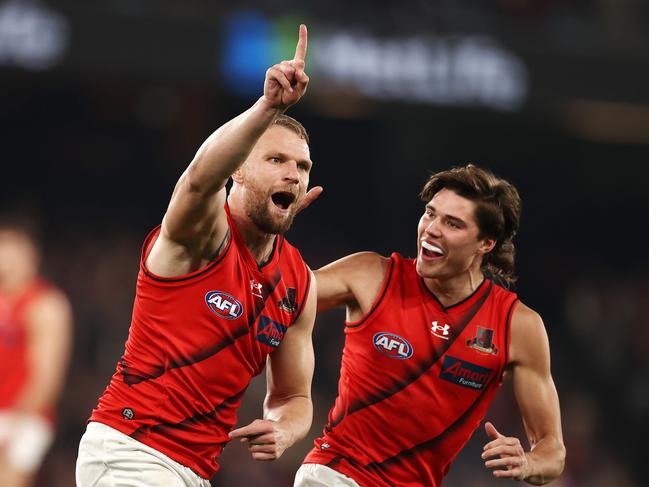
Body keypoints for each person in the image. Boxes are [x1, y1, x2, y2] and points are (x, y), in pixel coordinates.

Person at [76, 24, 320, 487]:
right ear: (238, 173)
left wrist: (284, 429)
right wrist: (268, 107)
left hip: (194, 471)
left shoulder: (299, 285)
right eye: (276, 160)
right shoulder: (202, 234)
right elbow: (197, 180)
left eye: (302, 167)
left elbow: (294, 396)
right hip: (132, 449)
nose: (292, 174)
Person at [295, 165, 565, 486]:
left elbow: (553, 451)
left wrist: (530, 461)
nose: (431, 229)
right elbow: (280, 296)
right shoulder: (371, 275)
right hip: (335, 474)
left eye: (452, 223)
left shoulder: (517, 326)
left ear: (486, 243)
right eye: (430, 213)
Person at [0, 219, 73, 487]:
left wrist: (15, 427)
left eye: (11, 250)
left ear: (31, 255)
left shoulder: (45, 304)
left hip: (24, 416)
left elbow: (47, 377)